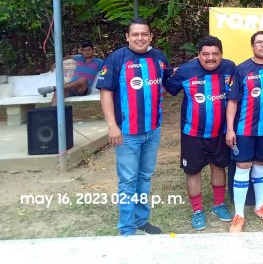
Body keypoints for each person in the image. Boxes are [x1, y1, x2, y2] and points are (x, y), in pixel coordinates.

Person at [96, 19, 172, 236]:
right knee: (128, 180)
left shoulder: (158, 58)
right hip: (127, 133)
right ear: (127, 37)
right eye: (135, 34)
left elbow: (169, 80)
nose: (140, 38)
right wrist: (112, 125)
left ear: (151, 37)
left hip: (152, 130)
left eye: (144, 34)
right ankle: (127, 228)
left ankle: (141, 220)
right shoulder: (117, 58)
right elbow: (106, 92)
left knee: (145, 177)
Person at [163, 35, 235, 230]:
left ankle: (218, 205)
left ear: (221, 54)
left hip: (220, 132)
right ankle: (197, 210)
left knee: (219, 167)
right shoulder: (187, 70)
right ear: (198, 55)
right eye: (205, 54)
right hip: (192, 133)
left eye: (215, 54)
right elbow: (169, 87)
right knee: (192, 171)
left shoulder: (230, 68)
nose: (210, 58)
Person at [225, 31, 263, 233]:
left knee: (260, 164)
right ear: (252, 46)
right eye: (259, 42)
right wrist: (231, 129)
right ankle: (239, 214)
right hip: (244, 128)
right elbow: (232, 101)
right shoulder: (242, 69)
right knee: (243, 166)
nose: (262, 46)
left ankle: (260, 206)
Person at [38, 40, 104, 105]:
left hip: (83, 88)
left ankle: (54, 88)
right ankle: (54, 114)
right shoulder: (79, 58)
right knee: (58, 93)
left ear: (93, 51)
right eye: (84, 50)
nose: (86, 52)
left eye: (89, 49)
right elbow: (68, 57)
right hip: (71, 87)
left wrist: (102, 87)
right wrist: (56, 64)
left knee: (83, 79)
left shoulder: (99, 62)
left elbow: (107, 71)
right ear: (82, 52)